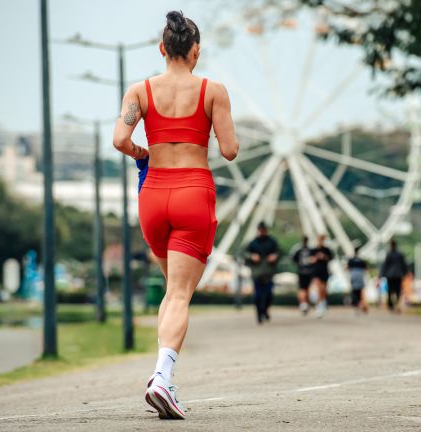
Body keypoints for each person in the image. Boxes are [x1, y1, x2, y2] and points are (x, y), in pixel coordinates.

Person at [112, 10, 239, 420]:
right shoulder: (213, 91)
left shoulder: (140, 91)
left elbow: (120, 139)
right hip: (192, 193)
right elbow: (231, 150)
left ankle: (166, 381)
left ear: (163, 48)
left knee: (172, 292)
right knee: (181, 294)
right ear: (196, 50)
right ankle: (162, 378)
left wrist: (143, 153)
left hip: (152, 195)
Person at [245, 222, 280, 324]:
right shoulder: (253, 243)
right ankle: (259, 314)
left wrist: (275, 256)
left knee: (268, 295)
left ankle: (265, 310)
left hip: (269, 272)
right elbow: (244, 253)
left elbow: (279, 252)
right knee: (258, 296)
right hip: (257, 272)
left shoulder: (272, 242)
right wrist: (251, 256)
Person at [380, 239, 408, 312]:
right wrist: (405, 273)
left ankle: (390, 305)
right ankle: (397, 303)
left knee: (390, 290)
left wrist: (382, 274)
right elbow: (404, 264)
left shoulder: (389, 254)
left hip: (390, 275)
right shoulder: (400, 254)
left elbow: (385, 265)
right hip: (398, 275)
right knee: (398, 290)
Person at [310, 234, 333, 318]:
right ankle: (319, 305)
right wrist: (316, 258)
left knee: (323, 288)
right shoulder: (313, 250)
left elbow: (330, 259)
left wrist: (323, 257)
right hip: (316, 271)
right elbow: (310, 260)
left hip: (324, 271)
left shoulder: (327, 250)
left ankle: (322, 302)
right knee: (318, 287)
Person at [292, 236, 313, 315]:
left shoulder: (298, 250)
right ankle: (305, 303)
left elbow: (293, 259)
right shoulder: (311, 250)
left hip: (301, 271)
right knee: (307, 289)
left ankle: (303, 304)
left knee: (302, 288)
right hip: (309, 272)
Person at [347, 246, 368, 314]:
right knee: (361, 292)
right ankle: (362, 305)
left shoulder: (351, 260)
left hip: (353, 276)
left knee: (354, 292)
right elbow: (365, 269)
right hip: (360, 276)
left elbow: (348, 268)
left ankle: (357, 305)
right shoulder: (361, 260)